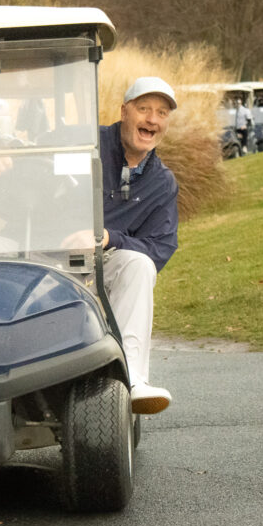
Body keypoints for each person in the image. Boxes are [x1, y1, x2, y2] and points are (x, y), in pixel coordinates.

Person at [96, 77, 180, 414]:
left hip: (104, 262)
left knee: (140, 265)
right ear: (124, 111)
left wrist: (110, 238)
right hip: (51, 254)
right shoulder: (88, 142)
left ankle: (132, 381)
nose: (152, 119)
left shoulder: (162, 181)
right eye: (144, 109)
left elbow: (159, 246)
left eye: (161, 112)